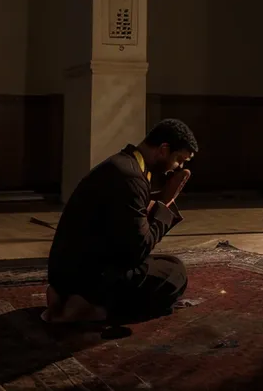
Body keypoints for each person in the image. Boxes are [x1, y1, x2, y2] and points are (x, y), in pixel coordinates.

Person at [42, 118, 198, 324]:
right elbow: (138, 251)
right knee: (175, 275)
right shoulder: (130, 178)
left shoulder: (123, 165)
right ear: (163, 149)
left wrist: (159, 202)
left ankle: (63, 296)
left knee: (170, 262)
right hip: (88, 278)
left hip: (65, 273)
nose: (178, 167)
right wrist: (165, 203)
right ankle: (90, 308)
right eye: (179, 159)